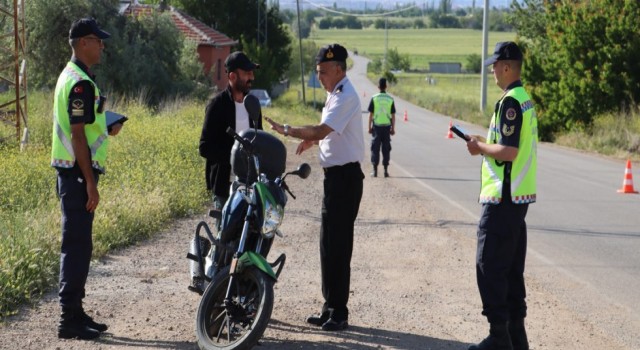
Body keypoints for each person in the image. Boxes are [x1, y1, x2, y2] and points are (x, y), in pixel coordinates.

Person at [264, 43, 365, 332]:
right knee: (327, 246)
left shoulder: (345, 95)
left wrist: (288, 130)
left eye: (322, 72)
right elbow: (331, 133)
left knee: (339, 247)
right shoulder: (334, 95)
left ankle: (339, 312)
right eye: (317, 71)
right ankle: (329, 307)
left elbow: (323, 129)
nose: (318, 76)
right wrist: (313, 141)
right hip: (335, 179)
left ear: (338, 69)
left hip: (346, 179)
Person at [51, 18, 123, 340]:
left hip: (75, 173)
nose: (102, 45)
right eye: (98, 40)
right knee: (76, 246)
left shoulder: (76, 78)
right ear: (83, 42)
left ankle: (77, 313)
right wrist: (90, 182)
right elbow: (77, 136)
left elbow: (83, 125)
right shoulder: (79, 82)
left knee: (81, 245)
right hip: (77, 175)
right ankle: (69, 319)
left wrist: (107, 126)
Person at [463, 41, 537, 350]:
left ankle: (498, 337)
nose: (492, 70)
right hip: (517, 201)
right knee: (509, 271)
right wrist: (485, 143)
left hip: (503, 200)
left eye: (495, 65)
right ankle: (516, 336)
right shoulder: (523, 99)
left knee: (489, 266)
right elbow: (507, 146)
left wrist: (480, 148)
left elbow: (508, 151)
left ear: (507, 66)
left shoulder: (510, 102)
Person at [198, 51, 262, 212]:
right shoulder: (216, 105)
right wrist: (234, 158)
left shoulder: (253, 104)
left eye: (252, 72)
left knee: (252, 232)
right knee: (226, 234)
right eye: (247, 73)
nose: (252, 77)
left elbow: (260, 139)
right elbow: (204, 147)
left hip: (252, 184)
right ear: (233, 76)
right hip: (224, 185)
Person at [367, 77, 396, 177]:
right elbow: (393, 115)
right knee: (386, 149)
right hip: (387, 127)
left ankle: (375, 171)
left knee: (375, 148)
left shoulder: (374, 98)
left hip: (377, 127)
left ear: (378, 86)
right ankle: (385, 171)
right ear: (386, 86)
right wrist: (393, 128)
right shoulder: (390, 99)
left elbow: (370, 115)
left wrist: (369, 127)